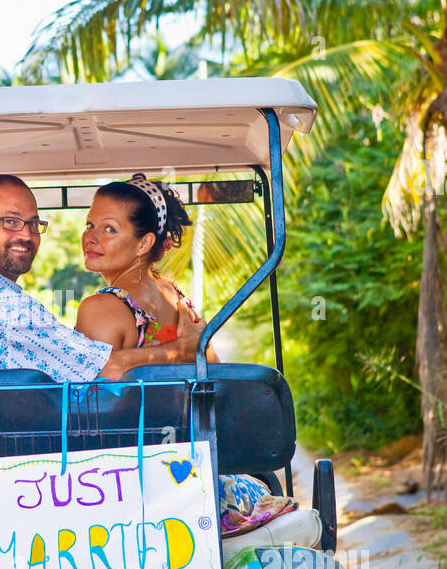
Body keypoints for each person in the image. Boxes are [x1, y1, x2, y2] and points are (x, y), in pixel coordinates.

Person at [0, 174, 205, 558]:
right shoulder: (8, 310)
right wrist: (182, 350)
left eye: (33, 224)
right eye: (10, 221)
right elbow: (105, 375)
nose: (27, 235)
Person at [75, 173, 321, 549]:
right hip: (203, 471)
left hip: (133, 487)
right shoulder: (176, 298)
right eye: (90, 224)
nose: (90, 237)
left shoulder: (102, 309)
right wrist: (179, 350)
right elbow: (218, 379)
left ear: (144, 243)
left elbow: (92, 401)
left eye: (108, 228)